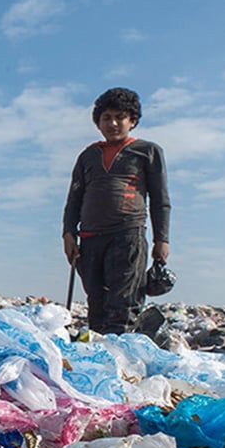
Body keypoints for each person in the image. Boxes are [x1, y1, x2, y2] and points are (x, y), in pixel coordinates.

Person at [62, 87, 170, 334]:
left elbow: (160, 200)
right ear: (98, 122)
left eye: (120, 117)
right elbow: (74, 199)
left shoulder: (148, 152)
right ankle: (99, 362)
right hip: (89, 240)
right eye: (106, 117)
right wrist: (68, 233)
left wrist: (162, 239)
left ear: (132, 121)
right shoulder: (88, 156)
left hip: (127, 236)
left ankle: (120, 363)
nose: (113, 123)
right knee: (96, 305)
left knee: (123, 305)